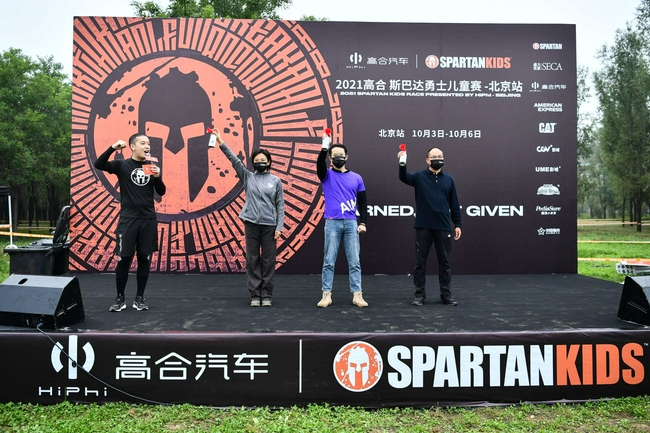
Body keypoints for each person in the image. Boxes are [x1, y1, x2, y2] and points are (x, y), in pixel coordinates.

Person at [94, 134, 166, 312]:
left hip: (148, 220)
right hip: (128, 220)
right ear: (133, 146)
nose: (147, 146)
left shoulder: (150, 167)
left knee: (144, 258)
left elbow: (161, 192)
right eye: (143, 143)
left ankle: (139, 298)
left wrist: (158, 177)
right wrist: (112, 147)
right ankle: (120, 298)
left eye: (148, 143)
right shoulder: (122, 165)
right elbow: (99, 164)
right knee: (124, 259)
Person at [212, 129, 285, 307]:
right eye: (257, 160)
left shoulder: (275, 181)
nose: (260, 162)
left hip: (269, 226)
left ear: (269, 162)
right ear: (253, 163)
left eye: (263, 160)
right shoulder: (248, 176)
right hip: (251, 224)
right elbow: (233, 159)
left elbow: (280, 205)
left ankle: (266, 294)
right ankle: (254, 295)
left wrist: (279, 227)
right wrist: (220, 141)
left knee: (268, 261)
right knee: (252, 259)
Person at [398, 147, 462, 306]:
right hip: (423, 226)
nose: (437, 159)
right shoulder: (419, 176)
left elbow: (454, 203)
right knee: (420, 262)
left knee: (445, 263)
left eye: (440, 156)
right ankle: (419, 295)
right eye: (434, 156)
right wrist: (402, 162)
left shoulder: (449, 179)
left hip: (443, 226)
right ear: (427, 160)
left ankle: (446, 295)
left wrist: (457, 223)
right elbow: (404, 177)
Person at [316, 132, 368, 308]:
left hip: (351, 222)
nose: (338, 157)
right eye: (334, 155)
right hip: (332, 222)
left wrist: (363, 222)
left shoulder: (357, 178)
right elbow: (319, 165)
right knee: (329, 261)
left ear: (346, 157)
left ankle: (357, 294)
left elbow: (363, 202)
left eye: (341, 155)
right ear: (330, 158)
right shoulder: (326, 175)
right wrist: (324, 147)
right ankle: (326, 294)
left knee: (354, 261)